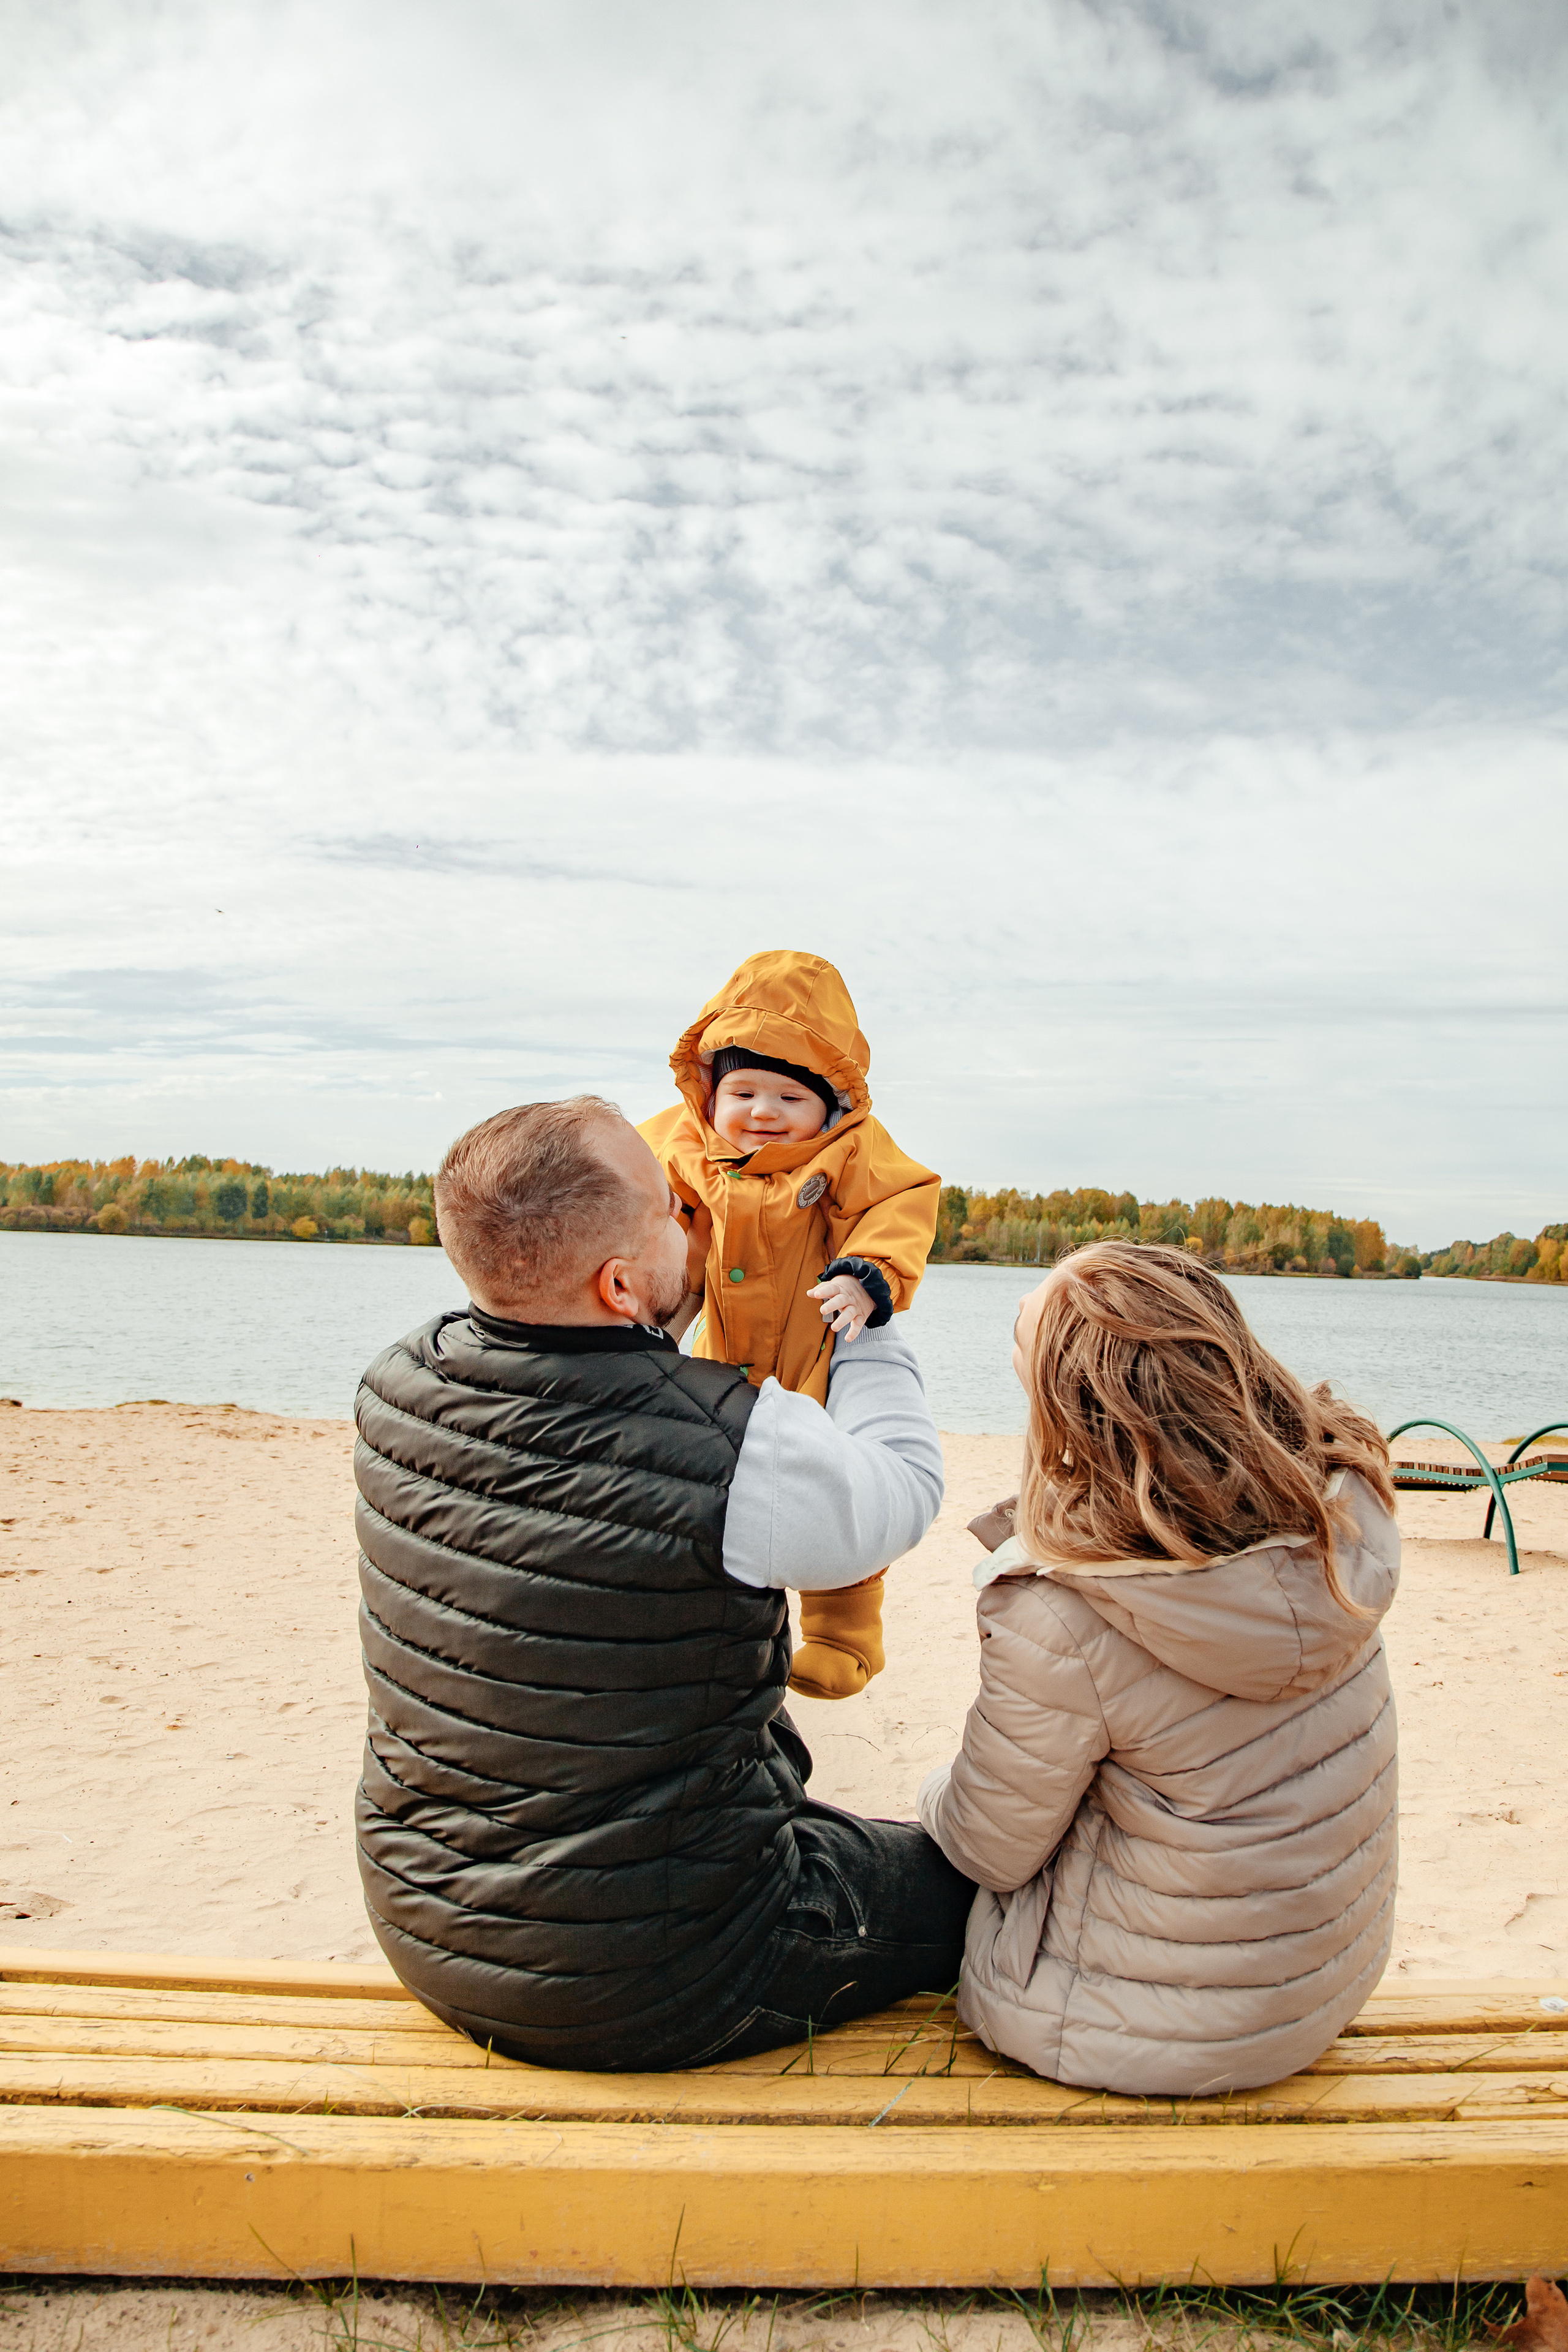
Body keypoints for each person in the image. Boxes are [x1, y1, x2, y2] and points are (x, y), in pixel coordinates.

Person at [353, 1095, 971, 2073]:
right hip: (667, 1973)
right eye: (675, 1211)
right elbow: (901, 1493)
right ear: (618, 1282)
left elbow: (596, 1425)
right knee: (976, 1881)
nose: (700, 1221)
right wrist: (865, 1318)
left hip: (430, 1924)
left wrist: (664, 1319)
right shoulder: (736, 1444)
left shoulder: (397, 1387)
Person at [918, 1242, 1400, 2097]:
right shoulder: (1335, 1531)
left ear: (1067, 1408)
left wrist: (931, 1793)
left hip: (1132, 2033)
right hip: (1313, 1991)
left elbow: (988, 1849)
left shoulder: (1064, 1614)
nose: (1019, 1318)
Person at [639, 948, 940, 1700]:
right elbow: (626, 1181)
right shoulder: (682, 1144)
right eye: (742, 1092)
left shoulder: (850, 1150)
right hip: (718, 1352)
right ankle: (716, 1617)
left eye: (789, 1097)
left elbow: (900, 1203)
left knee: (833, 1478)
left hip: (817, 1348)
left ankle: (845, 1632)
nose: (763, 1112)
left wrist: (870, 1274)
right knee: (713, 1475)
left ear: (830, 1104)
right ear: (709, 1091)